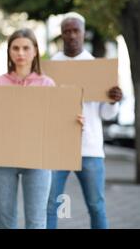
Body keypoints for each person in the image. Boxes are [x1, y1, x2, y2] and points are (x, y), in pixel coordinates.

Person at [0, 28, 83, 229]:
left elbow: (55, 124)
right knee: (6, 222)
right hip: (2, 160)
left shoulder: (47, 84)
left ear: (35, 51)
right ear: (9, 51)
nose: (20, 53)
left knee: (36, 222)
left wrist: (73, 122)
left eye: (26, 48)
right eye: (16, 48)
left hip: (37, 160)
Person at [47, 12, 122, 229]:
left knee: (96, 205)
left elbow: (107, 116)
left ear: (83, 33)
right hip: (57, 148)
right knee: (50, 204)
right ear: (62, 35)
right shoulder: (51, 67)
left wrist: (113, 101)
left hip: (89, 148)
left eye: (75, 31)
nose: (71, 35)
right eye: (67, 31)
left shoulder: (97, 67)